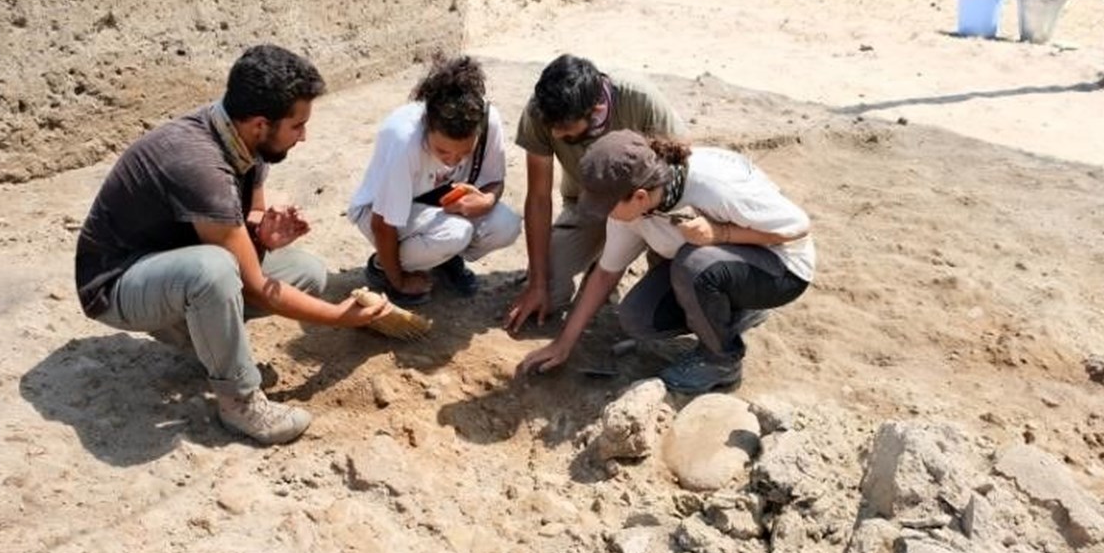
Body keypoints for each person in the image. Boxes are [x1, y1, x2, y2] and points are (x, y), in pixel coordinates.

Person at [74, 44, 390, 446]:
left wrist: (263, 230)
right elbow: (256, 285)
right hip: (117, 284)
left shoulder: (243, 135)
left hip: (170, 263)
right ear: (261, 124)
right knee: (214, 271)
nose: (305, 136)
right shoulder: (199, 164)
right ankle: (240, 402)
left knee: (307, 271)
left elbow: (253, 213)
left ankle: (201, 336)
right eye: (297, 126)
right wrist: (338, 317)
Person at [517, 130, 814, 394]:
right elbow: (606, 275)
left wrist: (721, 232)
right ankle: (734, 314)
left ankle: (721, 361)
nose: (604, 214)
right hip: (719, 266)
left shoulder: (712, 186)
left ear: (640, 196)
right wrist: (565, 342)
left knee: (693, 264)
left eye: (607, 207)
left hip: (780, 268)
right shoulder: (633, 208)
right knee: (637, 317)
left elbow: (797, 227)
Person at [505, 54, 687, 332]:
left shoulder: (639, 99)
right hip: (587, 206)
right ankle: (599, 261)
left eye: (564, 127)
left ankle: (622, 272)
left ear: (597, 108)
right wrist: (537, 284)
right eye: (550, 126)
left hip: (646, 208)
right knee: (549, 293)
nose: (554, 134)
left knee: (662, 304)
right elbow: (539, 197)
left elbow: (679, 170)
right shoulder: (541, 112)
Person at [348, 55, 520, 305]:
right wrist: (399, 282)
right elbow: (382, 224)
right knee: (456, 233)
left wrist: (487, 200)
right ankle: (382, 267)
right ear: (427, 125)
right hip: (380, 213)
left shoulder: (488, 120)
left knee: (507, 225)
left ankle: (442, 258)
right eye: (442, 151)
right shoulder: (404, 140)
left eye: (464, 152)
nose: (452, 161)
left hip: (440, 203)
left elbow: (496, 180)